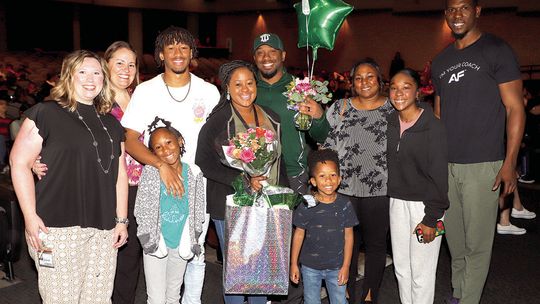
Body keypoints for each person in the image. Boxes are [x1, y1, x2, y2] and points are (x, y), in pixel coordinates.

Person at [10, 50, 128, 304]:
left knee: (98, 299)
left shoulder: (112, 124)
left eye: (97, 73)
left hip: (104, 229)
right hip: (56, 227)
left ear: (104, 80)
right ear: (68, 76)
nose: (90, 78)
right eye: (82, 72)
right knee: (61, 299)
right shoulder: (46, 113)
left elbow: (120, 175)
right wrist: (30, 217)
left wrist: (121, 220)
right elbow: (18, 162)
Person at [432, 1, 525, 303]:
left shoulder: (497, 50)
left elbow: (515, 108)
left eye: (464, 8)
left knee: (478, 245)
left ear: (477, 11)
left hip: (484, 164)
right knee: (456, 244)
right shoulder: (440, 62)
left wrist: (509, 162)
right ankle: (460, 293)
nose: (456, 15)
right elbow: (438, 116)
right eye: (451, 9)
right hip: (448, 165)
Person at [121, 26, 220, 304]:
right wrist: (160, 166)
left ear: (192, 53)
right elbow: (128, 138)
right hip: (159, 185)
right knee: (158, 252)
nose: (178, 53)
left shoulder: (209, 91)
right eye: (171, 48)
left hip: (197, 186)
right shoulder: (146, 90)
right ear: (161, 55)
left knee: (194, 252)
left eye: (184, 47)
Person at [196, 60, 288, 304]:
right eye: (237, 84)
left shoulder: (271, 117)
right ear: (227, 87)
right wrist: (242, 179)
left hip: (266, 204)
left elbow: (281, 160)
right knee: (238, 271)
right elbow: (203, 161)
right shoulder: (218, 120)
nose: (245, 88)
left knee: (261, 268)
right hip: (230, 204)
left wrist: (285, 200)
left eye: (249, 82)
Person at [323, 59, 394, 304]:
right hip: (345, 190)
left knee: (375, 245)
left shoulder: (394, 109)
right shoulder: (339, 108)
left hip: (380, 190)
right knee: (346, 246)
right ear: (351, 83)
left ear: (380, 80)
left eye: (370, 76)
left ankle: (369, 293)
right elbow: (326, 145)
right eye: (358, 78)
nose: (364, 82)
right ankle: (348, 292)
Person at [387, 68, 449, 304]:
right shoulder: (389, 122)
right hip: (397, 203)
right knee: (402, 269)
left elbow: (439, 177)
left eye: (406, 87)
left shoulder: (434, 127)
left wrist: (432, 217)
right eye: (394, 87)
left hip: (425, 207)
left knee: (421, 273)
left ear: (418, 91)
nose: (399, 93)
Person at [135, 118, 205, 304]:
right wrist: (149, 239)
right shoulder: (151, 173)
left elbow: (199, 209)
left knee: (173, 295)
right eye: (158, 147)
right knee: (156, 298)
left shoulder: (195, 173)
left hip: (181, 242)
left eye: (169, 142)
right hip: (157, 242)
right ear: (153, 152)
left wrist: (193, 238)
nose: (165, 150)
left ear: (179, 141)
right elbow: (141, 209)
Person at [253, 33, 330, 195]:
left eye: (272, 51)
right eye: (260, 52)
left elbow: (321, 137)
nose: (266, 57)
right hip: (256, 176)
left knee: (294, 221)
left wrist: (319, 117)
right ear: (254, 57)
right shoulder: (248, 90)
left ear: (283, 55)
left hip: (294, 174)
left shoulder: (300, 88)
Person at [290, 149, 358, 304]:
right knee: (311, 301)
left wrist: (346, 266)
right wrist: (294, 264)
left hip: (337, 267)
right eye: (322, 176)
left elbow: (349, 236)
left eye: (333, 175)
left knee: (339, 301)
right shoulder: (307, 203)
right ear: (313, 181)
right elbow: (299, 234)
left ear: (340, 179)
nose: (328, 180)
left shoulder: (344, 204)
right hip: (310, 267)